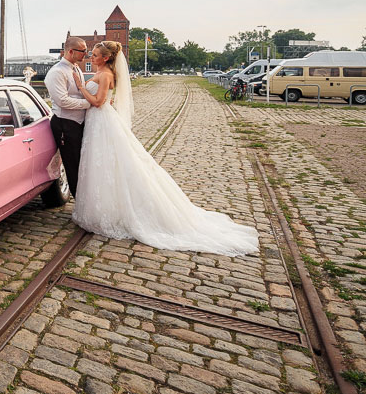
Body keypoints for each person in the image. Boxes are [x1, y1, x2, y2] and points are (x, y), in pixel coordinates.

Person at [71, 41, 258, 256]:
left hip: (101, 122)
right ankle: (101, 207)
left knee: (111, 163)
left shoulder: (105, 75)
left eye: (94, 55)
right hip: (98, 123)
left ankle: (114, 212)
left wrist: (81, 86)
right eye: (91, 55)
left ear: (105, 58)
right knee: (102, 165)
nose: (91, 58)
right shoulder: (103, 72)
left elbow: (98, 102)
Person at [44, 38, 90, 198]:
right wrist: (90, 103)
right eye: (83, 50)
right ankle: (80, 202)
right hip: (65, 124)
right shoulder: (57, 72)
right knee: (72, 165)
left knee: (82, 163)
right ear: (70, 51)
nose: (86, 53)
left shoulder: (76, 68)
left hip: (78, 123)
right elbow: (62, 101)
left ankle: (85, 199)